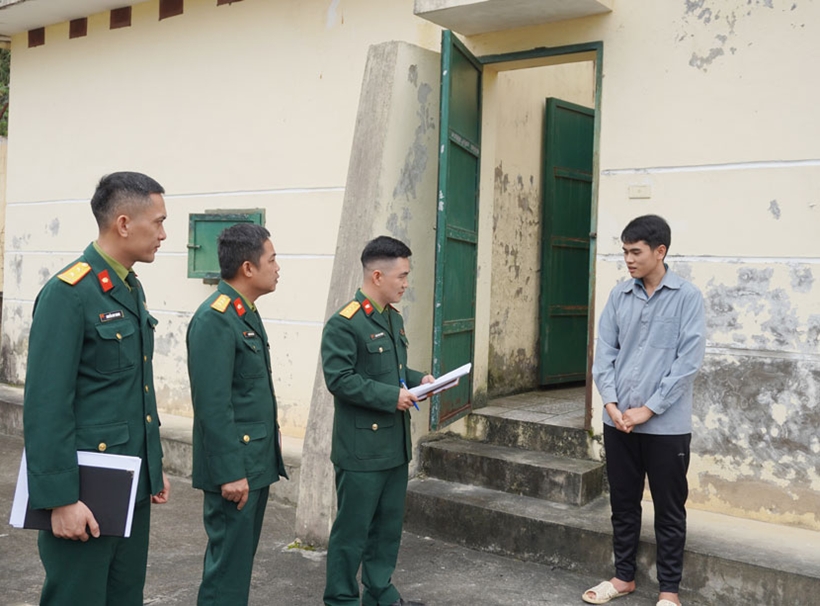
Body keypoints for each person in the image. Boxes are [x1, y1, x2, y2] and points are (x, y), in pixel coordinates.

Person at [22, 171, 171, 605]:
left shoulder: (128, 286)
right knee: (78, 596)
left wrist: (153, 466)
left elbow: (131, 392)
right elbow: (47, 405)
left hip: (129, 483)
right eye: (158, 222)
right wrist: (60, 500)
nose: (163, 234)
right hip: (85, 492)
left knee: (124, 597)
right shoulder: (69, 293)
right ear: (123, 223)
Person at [583, 215, 706, 606]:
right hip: (618, 422)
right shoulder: (619, 295)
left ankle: (669, 592)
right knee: (623, 504)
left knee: (669, 509)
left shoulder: (687, 297)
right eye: (624, 251)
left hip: (666, 426)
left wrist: (649, 409)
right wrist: (611, 404)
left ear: (660, 251)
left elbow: (688, 362)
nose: (628, 259)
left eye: (635, 252)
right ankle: (623, 578)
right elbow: (604, 354)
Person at [322, 235, 434, 606]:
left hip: (393, 446)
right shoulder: (345, 323)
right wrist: (392, 397)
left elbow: (391, 371)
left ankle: (379, 591)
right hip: (361, 450)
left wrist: (419, 381)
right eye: (401, 276)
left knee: (387, 530)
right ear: (377, 276)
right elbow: (340, 379)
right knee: (352, 533)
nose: (406, 283)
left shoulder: (391, 317)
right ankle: (341, 598)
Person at [186, 223, 288, 605]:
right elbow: (212, 406)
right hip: (235, 470)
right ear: (248, 267)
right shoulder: (215, 318)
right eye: (272, 259)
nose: (277, 267)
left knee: (238, 565)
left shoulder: (244, 312)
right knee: (226, 572)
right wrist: (230, 472)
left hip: (253, 462)